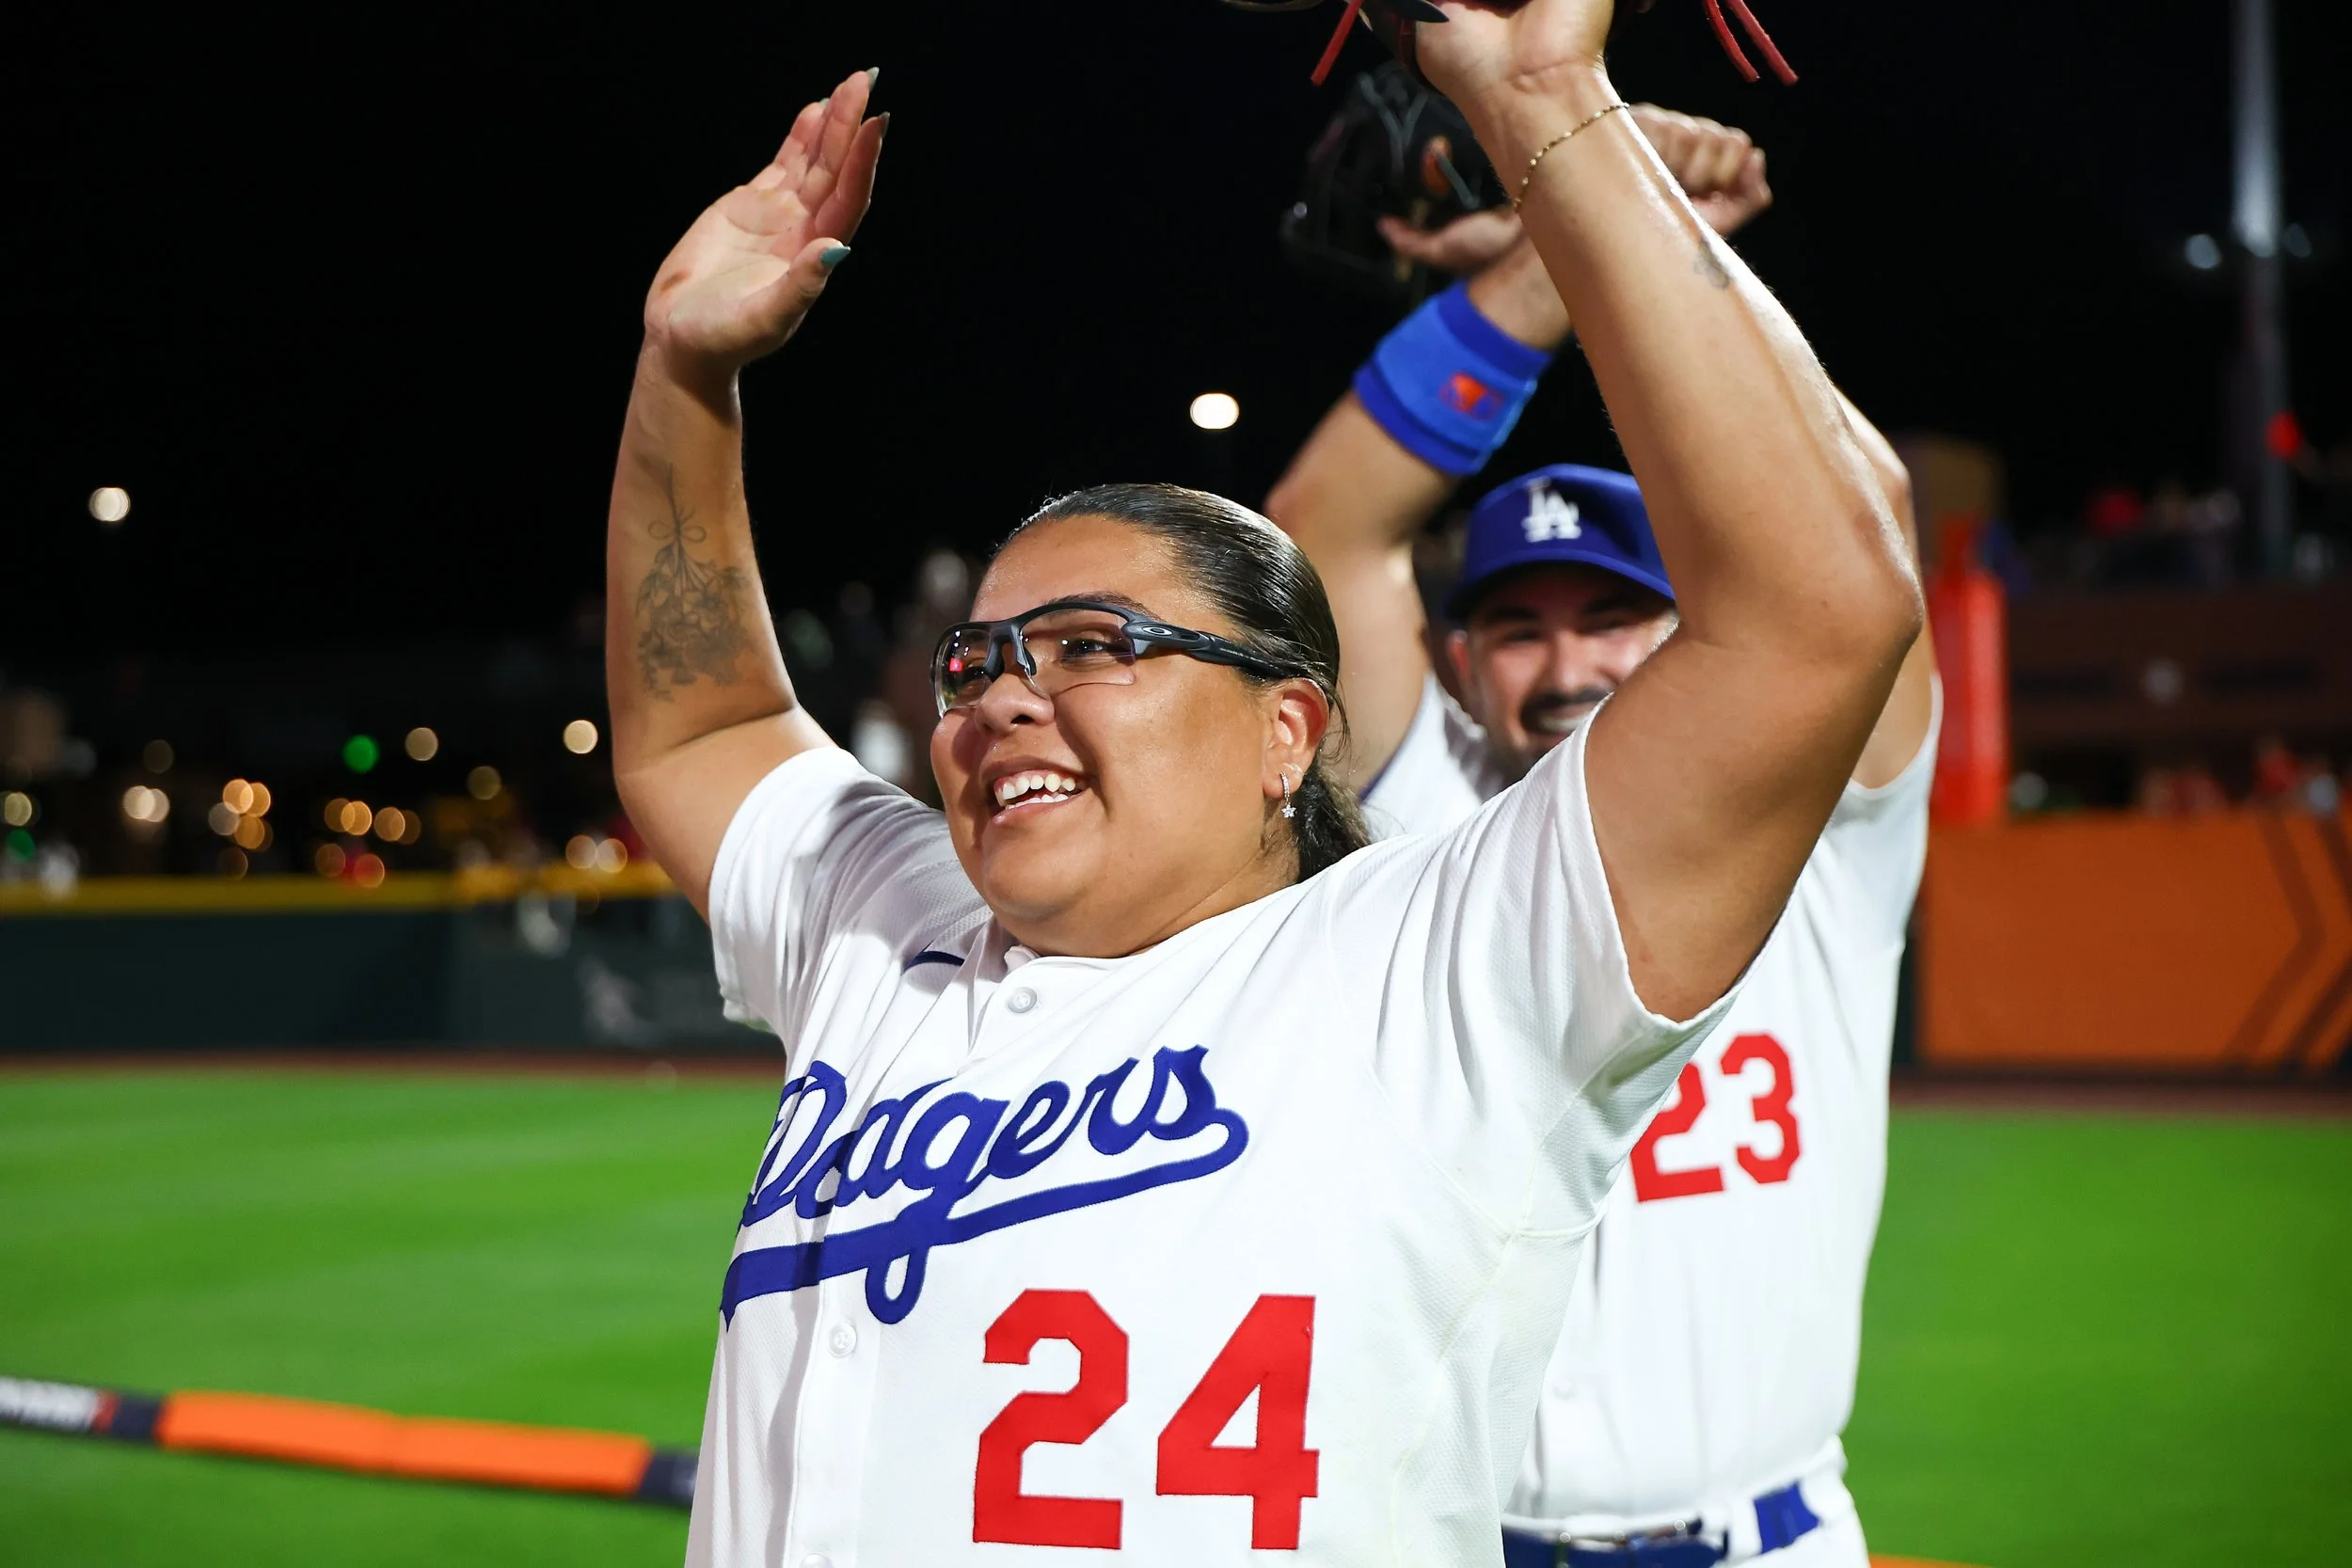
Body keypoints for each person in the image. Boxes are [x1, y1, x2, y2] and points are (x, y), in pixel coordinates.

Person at [605, 9, 1921, 1561]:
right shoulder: (891, 919)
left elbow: (1821, 607)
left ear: (1290, 733)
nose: (1005, 690)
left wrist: (1549, 105)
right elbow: (699, 731)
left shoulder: (1433, 961)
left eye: (1096, 643)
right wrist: (684, 374)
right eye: (978, 660)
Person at [1266, 108, 1939, 1567]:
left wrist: (1614, 212)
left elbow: (1860, 515)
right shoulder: (1429, 815)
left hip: (1765, 1539)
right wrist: (1540, 265)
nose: (1563, 664)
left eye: (1610, 617)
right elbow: (1325, 532)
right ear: (1456, 665)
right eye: (1516, 626)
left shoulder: (1820, 824)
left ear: (1692, 633)